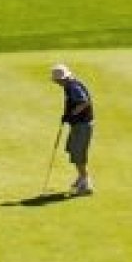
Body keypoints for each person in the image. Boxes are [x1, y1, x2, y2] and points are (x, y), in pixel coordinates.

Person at [50, 62, 94, 196]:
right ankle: (82, 177)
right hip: (79, 125)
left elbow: (84, 101)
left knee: (78, 153)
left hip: (82, 125)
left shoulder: (73, 87)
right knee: (72, 150)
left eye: (57, 81)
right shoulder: (70, 85)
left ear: (61, 79)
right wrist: (68, 115)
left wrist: (71, 114)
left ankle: (86, 184)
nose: (57, 83)